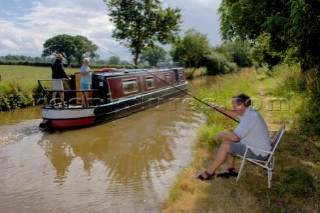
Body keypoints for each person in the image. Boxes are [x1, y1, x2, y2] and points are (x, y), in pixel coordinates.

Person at [196, 94, 271, 180]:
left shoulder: (248, 118)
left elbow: (235, 138)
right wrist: (218, 107)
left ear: (241, 105)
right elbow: (235, 113)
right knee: (229, 143)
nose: (233, 108)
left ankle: (209, 174)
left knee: (225, 145)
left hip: (259, 153)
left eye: (233, 105)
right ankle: (231, 170)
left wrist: (221, 134)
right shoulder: (250, 111)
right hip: (260, 148)